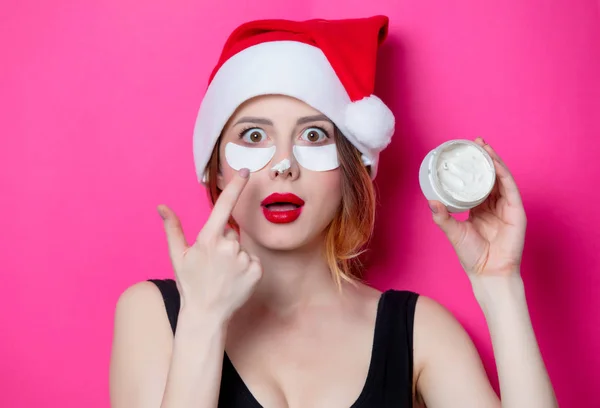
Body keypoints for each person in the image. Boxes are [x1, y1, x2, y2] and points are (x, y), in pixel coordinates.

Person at [109, 16, 558, 408]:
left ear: (350, 169)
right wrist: (203, 320)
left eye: (314, 137)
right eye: (252, 137)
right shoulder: (154, 315)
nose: (284, 166)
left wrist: (499, 285)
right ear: (218, 170)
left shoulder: (417, 331)